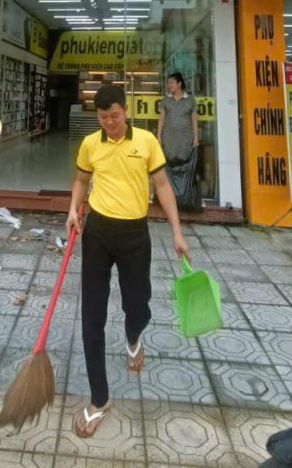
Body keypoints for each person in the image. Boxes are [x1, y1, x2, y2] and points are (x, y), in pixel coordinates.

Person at [67, 82, 189, 439]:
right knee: (92, 316)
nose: (109, 123)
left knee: (139, 307)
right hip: (98, 233)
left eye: (115, 116)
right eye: (103, 117)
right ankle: (99, 399)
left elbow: (163, 186)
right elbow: (81, 180)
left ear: (126, 110)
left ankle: (133, 338)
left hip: (135, 236)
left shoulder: (147, 142)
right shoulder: (91, 144)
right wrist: (73, 209)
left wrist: (177, 232)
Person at [157, 71, 199, 165]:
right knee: (169, 162)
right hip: (169, 138)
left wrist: (196, 138)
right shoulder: (165, 100)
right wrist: (159, 136)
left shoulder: (190, 100)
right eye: (168, 83)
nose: (169, 85)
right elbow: (161, 119)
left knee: (184, 163)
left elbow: (194, 120)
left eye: (172, 82)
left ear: (179, 84)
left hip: (186, 139)